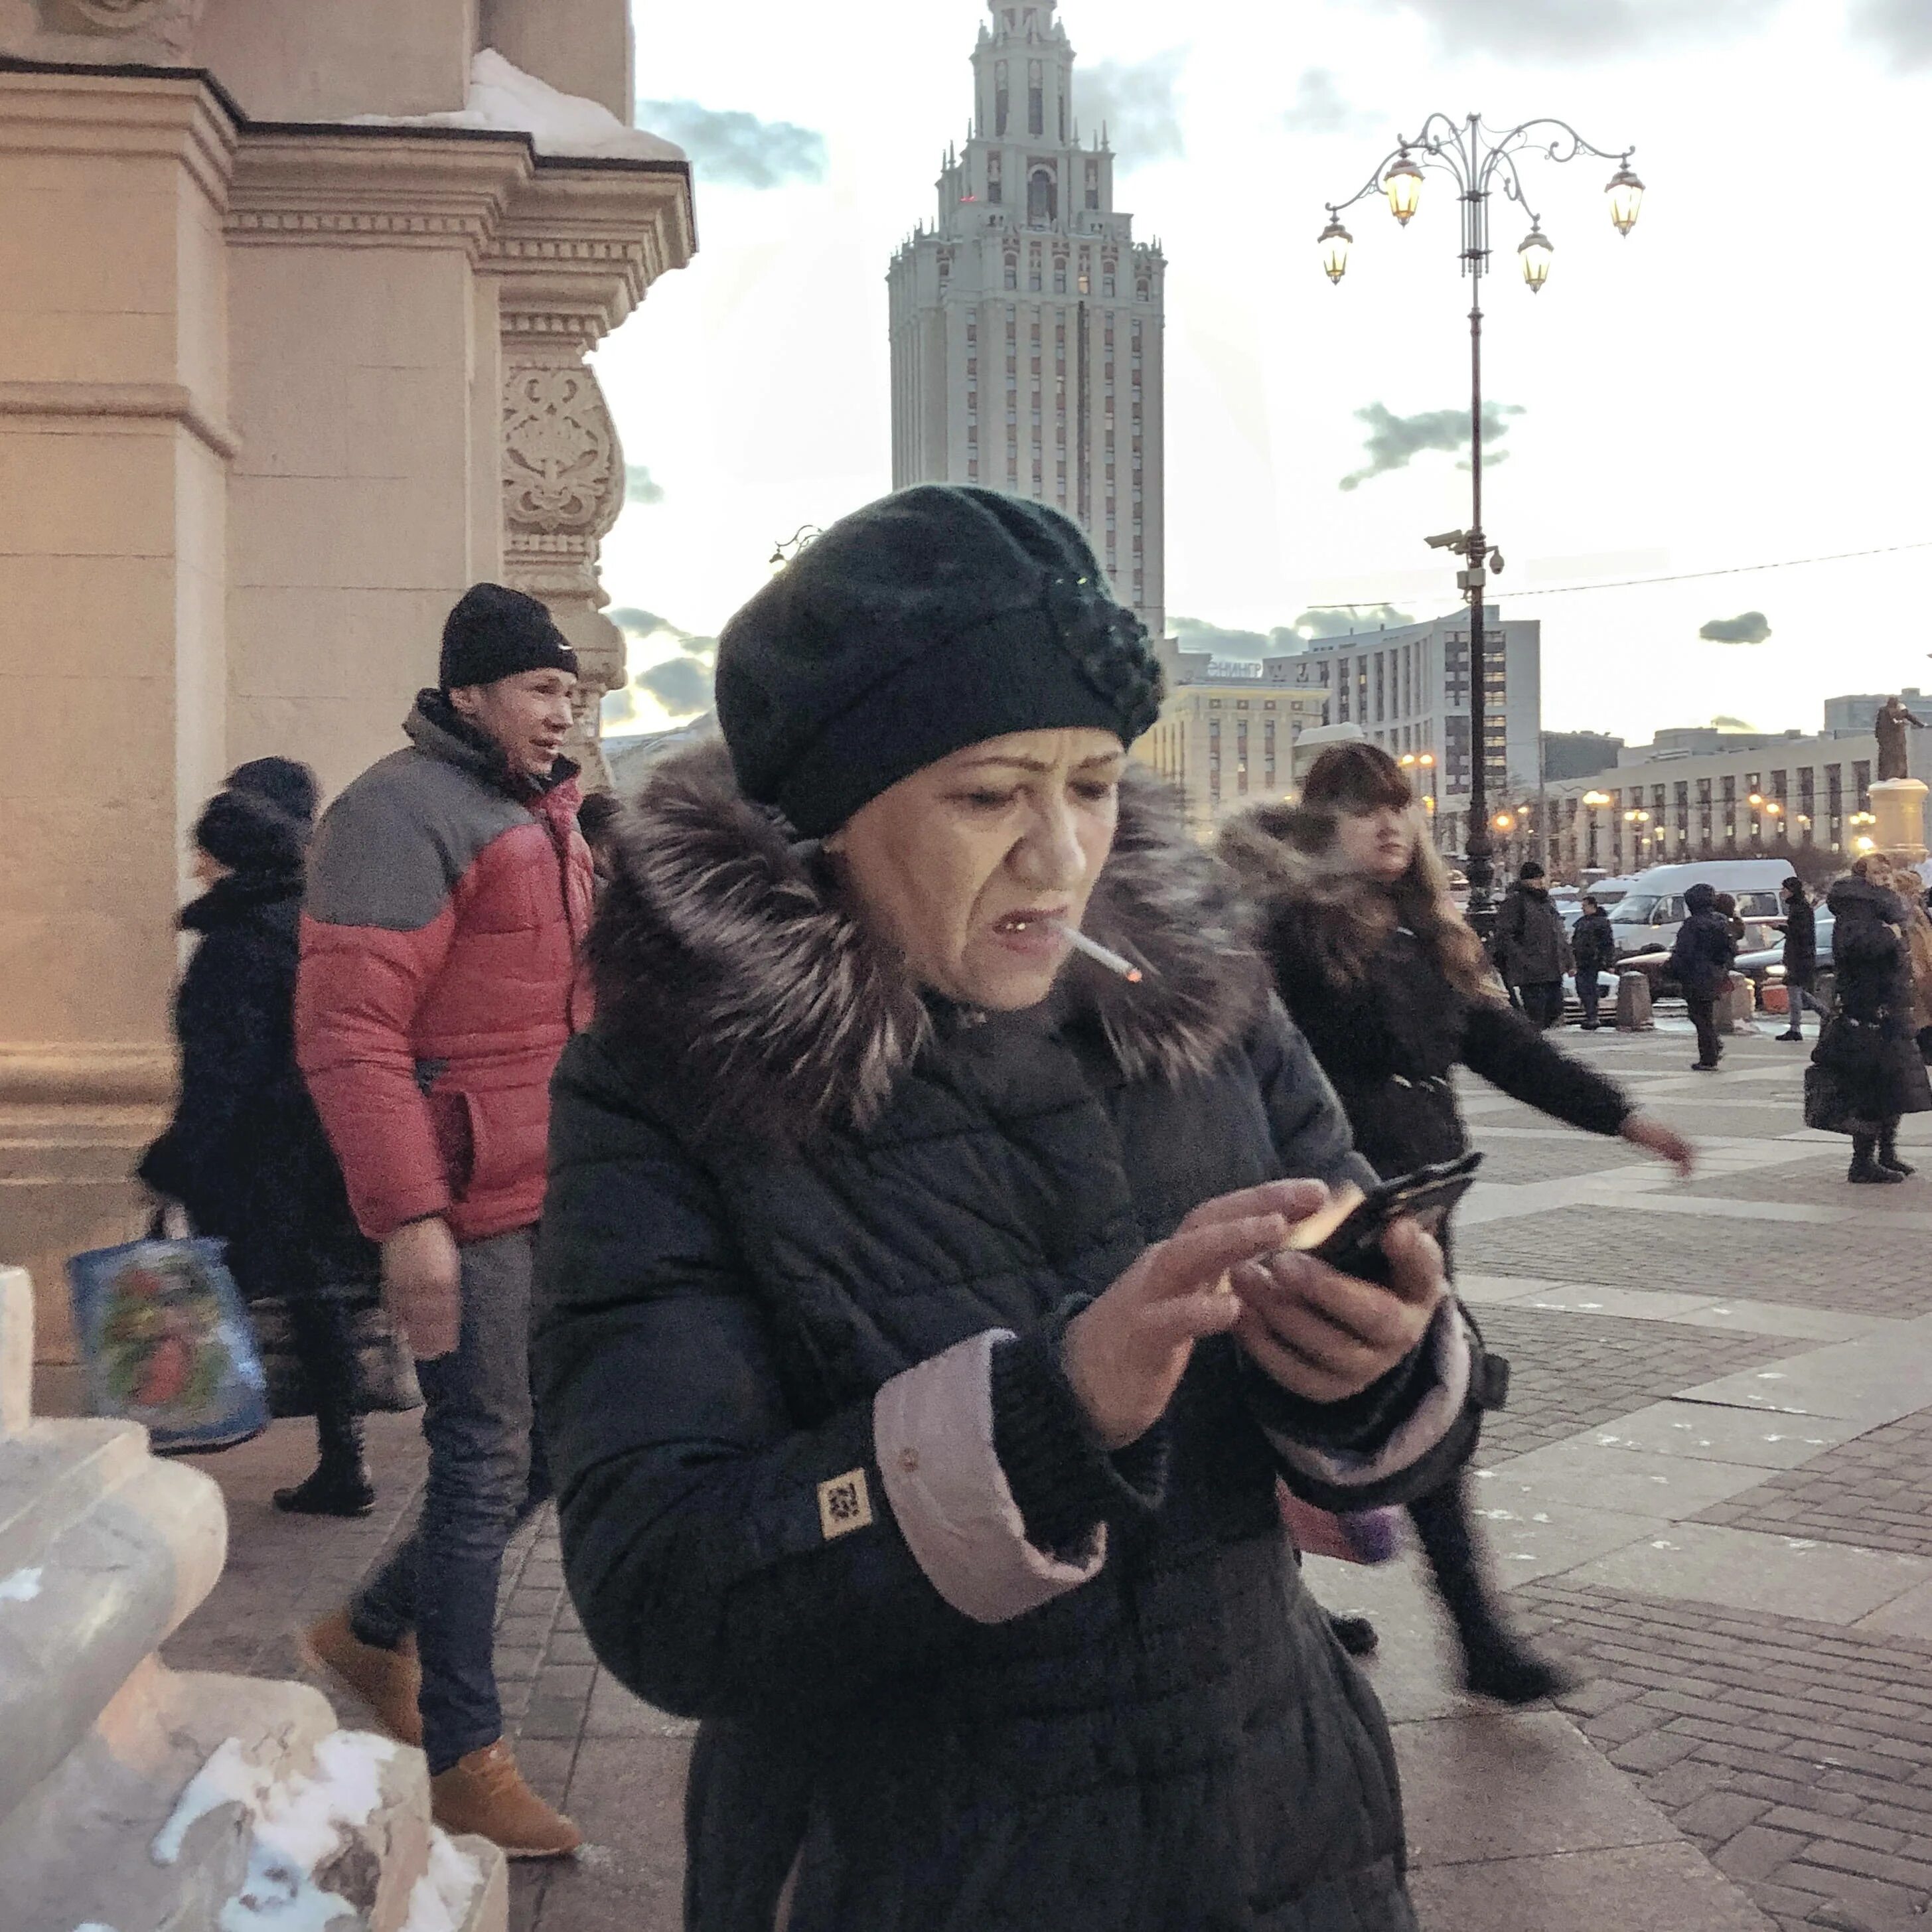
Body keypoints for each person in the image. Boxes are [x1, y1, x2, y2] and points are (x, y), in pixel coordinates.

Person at [533, 487, 1495, 1932]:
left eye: (1094, 783)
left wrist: (1381, 1362)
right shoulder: (670, 1086)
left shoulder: (1205, 1003)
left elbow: (1391, 1387)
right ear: (831, 818)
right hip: (906, 1864)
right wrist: (1049, 1417)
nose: (1060, 855)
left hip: (1283, 1829)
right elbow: (664, 1589)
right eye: (989, 795)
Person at [1219, 745, 1694, 1704]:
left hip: (1417, 1204)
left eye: (1399, 808)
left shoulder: (1417, 930)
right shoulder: (1285, 933)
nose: (1388, 827)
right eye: (1360, 811)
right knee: (1304, 1407)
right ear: (1319, 827)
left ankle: (1465, 1636)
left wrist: (1620, 1115)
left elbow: (1500, 1044)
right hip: (1321, 1207)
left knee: (1426, 1412)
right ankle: (1419, 1627)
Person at [295, 584, 594, 1858]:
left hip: (543, 1186)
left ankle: (367, 1633)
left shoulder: (542, 812)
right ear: (470, 691)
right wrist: (409, 1217)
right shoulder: (394, 814)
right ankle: (466, 1754)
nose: (559, 713)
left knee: (536, 1452)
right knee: (485, 1460)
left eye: (569, 695)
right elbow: (349, 1031)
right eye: (540, 690)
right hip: (464, 1203)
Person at [137, 758, 378, 1515]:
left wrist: (174, 1159)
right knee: (314, 1303)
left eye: (203, 849)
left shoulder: (233, 947)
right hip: (315, 1145)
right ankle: (344, 1458)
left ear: (231, 858)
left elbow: (222, 1073)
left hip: (255, 1158)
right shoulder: (310, 923)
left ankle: (163, 1450)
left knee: (197, 1305)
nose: (194, 863)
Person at [1821, 859, 1932, 1182]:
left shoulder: (1883, 914)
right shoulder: (1858, 914)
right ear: (1864, 880)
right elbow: (1859, 952)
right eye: (1878, 875)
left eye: (1887, 874)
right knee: (1871, 1090)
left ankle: (1886, 1152)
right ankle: (1863, 1161)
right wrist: (1891, 936)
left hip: (1891, 1013)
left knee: (1893, 1088)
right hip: (1870, 1017)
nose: (1885, 881)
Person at [1669, 883, 1740, 1072]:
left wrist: (1671, 969)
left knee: (1700, 1017)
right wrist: (1722, 967)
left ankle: (1709, 1056)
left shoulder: (1692, 925)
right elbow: (1732, 949)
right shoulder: (1721, 922)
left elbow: (1684, 953)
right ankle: (1713, 1048)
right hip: (1715, 974)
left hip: (1696, 975)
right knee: (1703, 1016)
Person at [1494, 861, 1572, 1028]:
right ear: (1526, 881)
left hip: (1553, 967)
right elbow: (1505, 935)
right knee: (1535, 1013)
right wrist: (1522, 959)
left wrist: (1568, 960)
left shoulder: (1547, 901)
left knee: (1555, 1009)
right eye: (1536, 879)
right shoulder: (1516, 902)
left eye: (1541, 878)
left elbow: (1559, 932)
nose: (1540, 882)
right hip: (1531, 971)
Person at [1776, 877, 1820, 1043]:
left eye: (1785, 890)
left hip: (1799, 956)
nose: (1783, 893)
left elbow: (1799, 933)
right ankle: (1798, 1025)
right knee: (1798, 991)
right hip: (1799, 955)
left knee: (1796, 991)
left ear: (1792, 891)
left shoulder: (1800, 909)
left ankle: (1797, 1027)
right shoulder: (1799, 907)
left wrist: (1781, 928)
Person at [1571, 893, 1616, 1031]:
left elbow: (1608, 944)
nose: (1583, 909)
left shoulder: (1600, 922)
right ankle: (1590, 1014)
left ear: (1592, 906)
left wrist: (1609, 963)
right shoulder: (1583, 922)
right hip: (1582, 961)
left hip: (1592, 960)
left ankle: (1592, 1016)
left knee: (1588, 988)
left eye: (1584, 906)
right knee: (1583, 987)